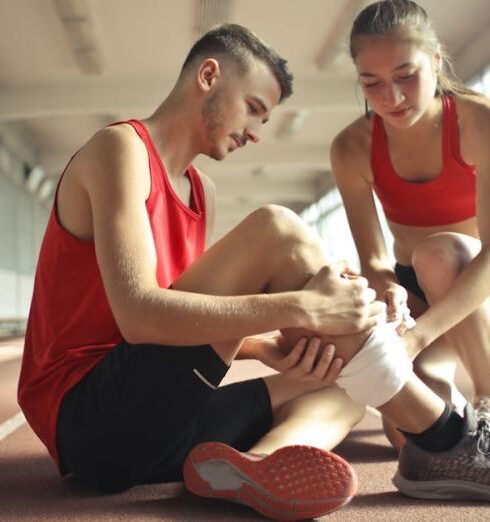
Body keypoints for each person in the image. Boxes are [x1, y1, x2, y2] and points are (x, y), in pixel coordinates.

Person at [17, 21, 490, 522]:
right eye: (255, 109)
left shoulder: (203, 191)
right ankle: (445, 439)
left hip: (153, 426)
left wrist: (272, 349)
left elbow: (186, 319)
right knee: (276, 228)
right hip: (92, 421)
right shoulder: (121, 150)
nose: (257, 133)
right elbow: (138, 316)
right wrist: (300, 306)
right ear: (209, 76)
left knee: (342, 378)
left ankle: (260, 463)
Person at [331, 0, 490, 448]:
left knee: (438, 254)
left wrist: (419, 337)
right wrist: (389, 291)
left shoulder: (479, 123)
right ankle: (445, 382)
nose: (391, 98)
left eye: (406, 76)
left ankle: (487, 399)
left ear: (435, 61)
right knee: (409, 437)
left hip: (476, 282)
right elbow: (376, 259)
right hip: (416, 292)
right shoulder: (352, 147)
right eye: (372, 83)